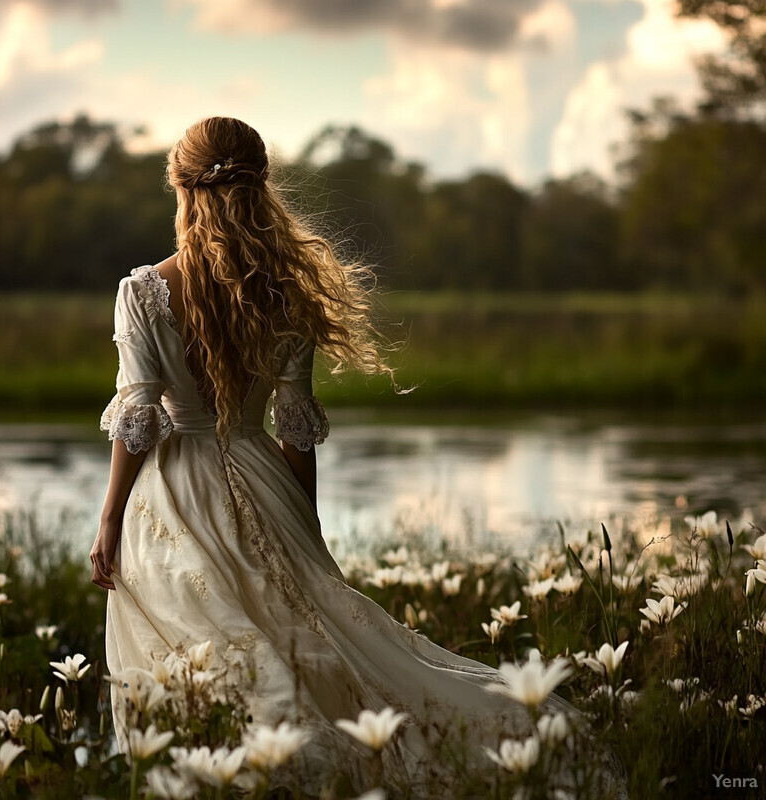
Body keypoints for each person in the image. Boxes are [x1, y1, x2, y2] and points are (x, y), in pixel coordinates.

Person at [90, 117, 626, 797]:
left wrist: (109, 522)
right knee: (303, 632)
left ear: (182, 188)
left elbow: (137, 422)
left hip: (172, 496)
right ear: (261, 187)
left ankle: (227, 776)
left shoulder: (143, 293)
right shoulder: (284, 294)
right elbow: (295, 429)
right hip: (264, 478)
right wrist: (302, 528)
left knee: (196, 646)